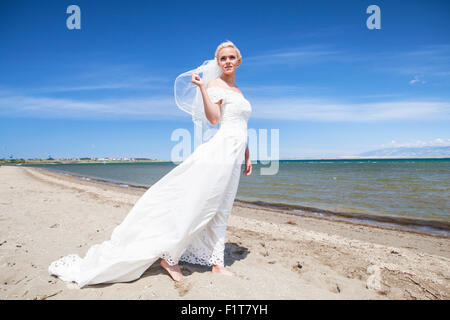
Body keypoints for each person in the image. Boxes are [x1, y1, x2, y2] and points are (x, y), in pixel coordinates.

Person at [48, 40, 252, 287]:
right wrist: (201, 89)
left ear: (238, 61)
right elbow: (213, 119)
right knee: (201, 204)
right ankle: (170, 257)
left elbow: (241, 126)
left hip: (234, 155)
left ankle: (217, 263)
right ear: (218, 63)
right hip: (219, 153)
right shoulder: (213, 85)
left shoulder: (239, 91)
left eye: (231, 57)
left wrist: (247, 155)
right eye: (223, 58)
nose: (227, 61)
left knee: (222, 207)